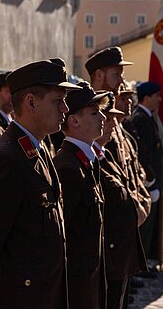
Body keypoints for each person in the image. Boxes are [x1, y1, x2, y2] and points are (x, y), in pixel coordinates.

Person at [0, 59, 80, 309]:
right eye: (57, 101)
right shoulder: (6, 159)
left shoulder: (36, 149)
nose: (65, 109)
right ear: (31, 102)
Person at [53, 81, 108, 308]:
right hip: (76, 284)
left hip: (90, 277)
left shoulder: (85, 161)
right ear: (74, 121)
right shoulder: (67, 167)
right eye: (95, 113)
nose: (103, 118)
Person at [94, 96, 146, 309]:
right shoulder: (76, 164)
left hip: (120, 255)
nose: (112, 125)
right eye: (106, 118)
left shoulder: (103, 155)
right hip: (107, 257)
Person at [128, 82, 163, 258]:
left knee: (150, 226)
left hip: (153, 179)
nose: (160, 100)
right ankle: (143, 263)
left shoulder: (147, 117)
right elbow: (145, 153)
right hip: (148, 180)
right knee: (145, 227)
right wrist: (151, 180)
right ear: (147, 98)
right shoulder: (140, 119)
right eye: (156, 96)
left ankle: (147, 258)